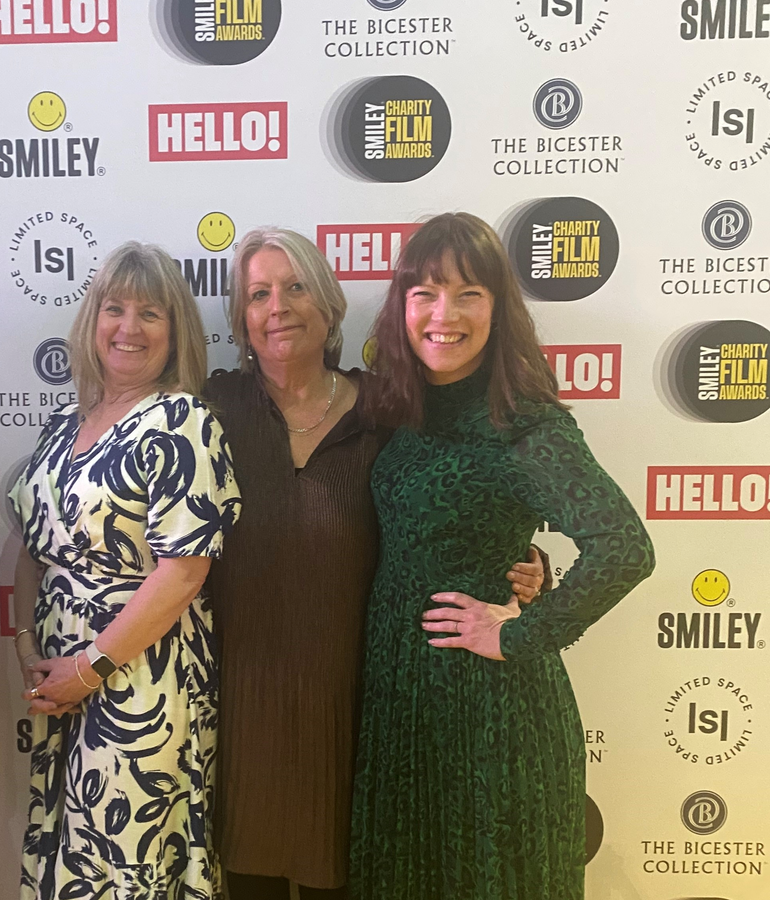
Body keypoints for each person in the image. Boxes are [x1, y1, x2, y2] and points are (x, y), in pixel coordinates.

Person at [204, 227, 547, 900]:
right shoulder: (211, 412)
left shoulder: (390, 409)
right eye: (258, 294)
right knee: (248, 882)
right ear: (240, 320)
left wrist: (522, 566)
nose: (279, 307)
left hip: (365, 707)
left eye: (296, 287)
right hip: (245, 706)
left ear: (330, 306)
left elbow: (459, 505)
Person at [348, 213, 655, 900]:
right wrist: (528, 557)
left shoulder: (525, 424)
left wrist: (520, 633)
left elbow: (625, 547)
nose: (442, 314)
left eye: (468, 294)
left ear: (499, 309)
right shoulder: (407, 407)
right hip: (404, 703)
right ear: (401, 305)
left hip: (489, 716)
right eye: (424, 293)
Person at [8, 242, 241, 900]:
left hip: (141, 688)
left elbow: (182, 574)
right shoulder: (62, 423)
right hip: (62, 681)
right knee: (72, 862)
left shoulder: (182, 421)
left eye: (151, 313)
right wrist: (33, 653)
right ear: (92, 320)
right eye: (115, 308)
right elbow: (36, 546)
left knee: (129, 866)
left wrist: (89, 669)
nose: (129, 328)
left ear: (178, 332)